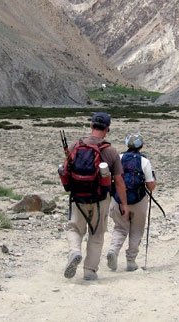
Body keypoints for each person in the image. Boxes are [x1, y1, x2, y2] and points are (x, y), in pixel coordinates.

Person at [64, 112, 128, 281]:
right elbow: (119, 181)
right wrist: (123, 204)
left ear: (91, 126)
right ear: (107, 129)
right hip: (101, 199)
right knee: (97, 233)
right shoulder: (111, 151)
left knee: (74, 228)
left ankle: (75, 251)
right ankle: (90, 271)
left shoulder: (74, 146)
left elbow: (66, 171)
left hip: (78, 197)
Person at [107, 133, 156, 272]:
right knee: (137, 230)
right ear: (141, 146)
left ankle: (113, 251)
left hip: (118, 200)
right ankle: (131, 261)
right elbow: (150, 186)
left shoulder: (119, 158)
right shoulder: (144, 161)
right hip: (138, 200)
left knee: (120, 228)